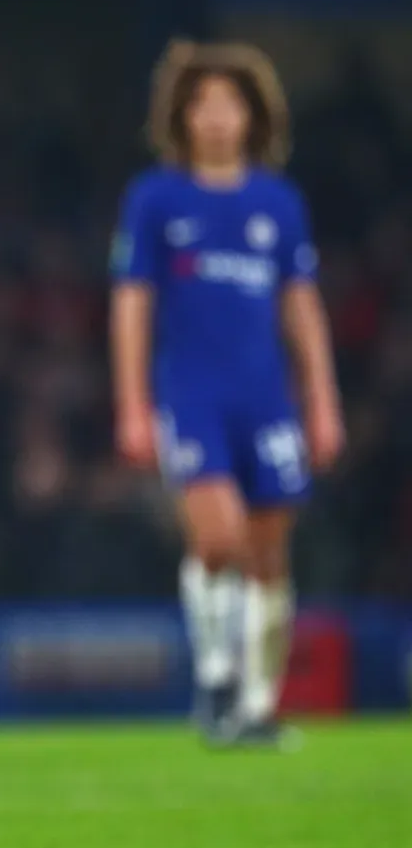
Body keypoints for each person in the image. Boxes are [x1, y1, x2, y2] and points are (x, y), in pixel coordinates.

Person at [110, 40, 342, 748]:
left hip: (266, 398)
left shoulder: (279, 202)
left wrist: (322, 401)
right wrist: (133, 404)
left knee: (270, 553)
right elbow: (133, 304)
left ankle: (258, 705)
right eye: (201, 102)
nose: (215, 117)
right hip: (192, 394)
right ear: (180, 116)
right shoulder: (155, 198)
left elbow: (301, 308)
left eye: (228, 102)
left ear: (252, 115)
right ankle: (214, 679)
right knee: (218, 537)